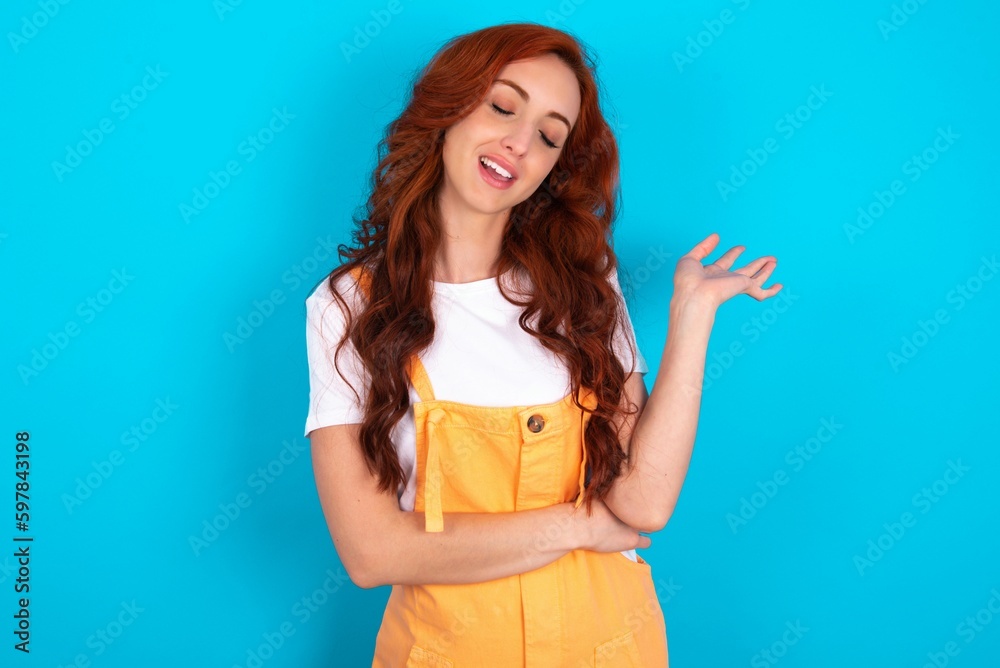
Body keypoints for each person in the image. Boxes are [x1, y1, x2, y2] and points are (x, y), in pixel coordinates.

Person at [304, 22, 783, 667]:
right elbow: (372, 552)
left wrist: (692, 316)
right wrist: (581, 526)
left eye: (550, 136)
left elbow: (643, 502)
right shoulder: (348, 306)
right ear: (448, 108)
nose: (520, 142)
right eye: (503, 106)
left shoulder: (584, 284)